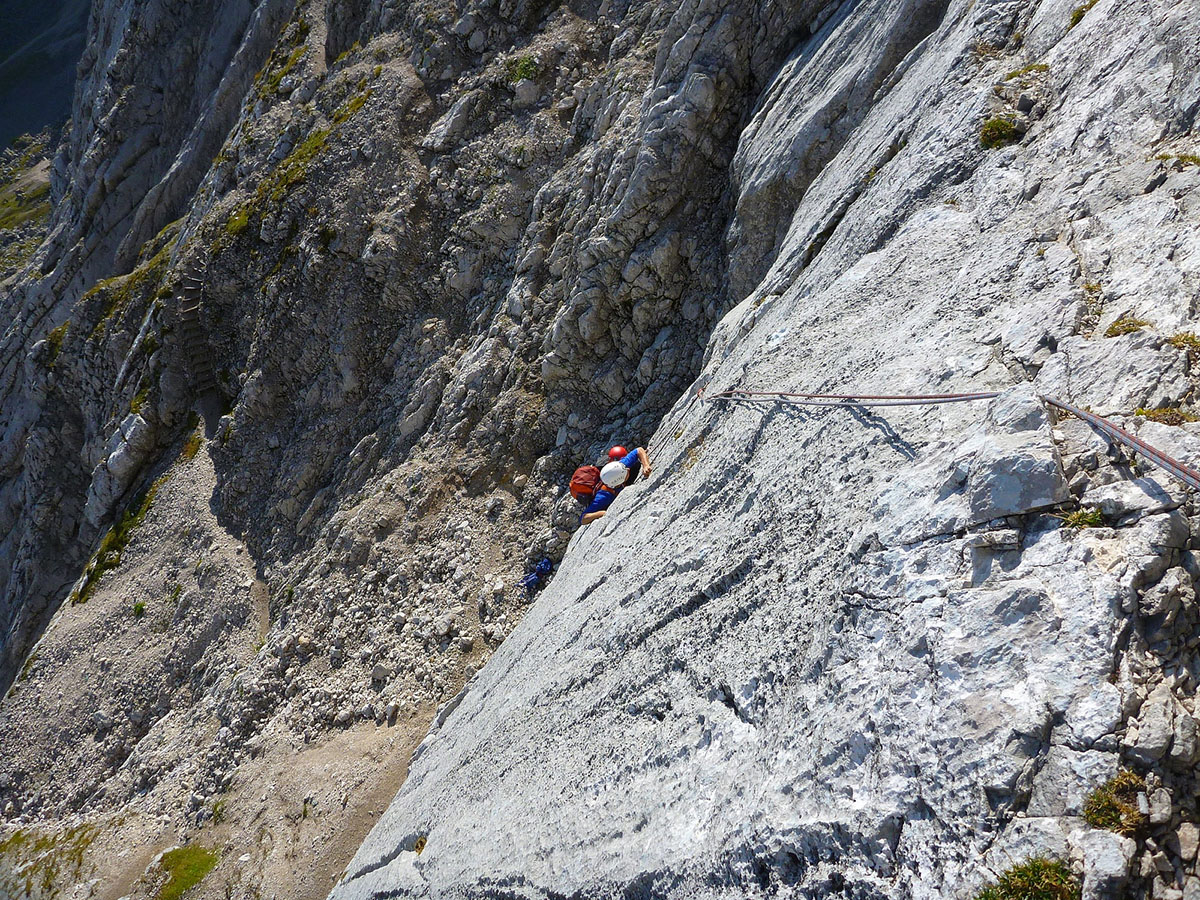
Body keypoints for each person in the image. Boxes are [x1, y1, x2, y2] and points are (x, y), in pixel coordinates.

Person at [580, 446, 651, 525]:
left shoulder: (621, 466)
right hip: (609, 496)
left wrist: (646, 465)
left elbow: (639, 450)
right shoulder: (603, 496)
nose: (628, 469)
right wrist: (601, 514)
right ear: (619, 482)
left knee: (635, 464)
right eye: (626, 471)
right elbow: (583, 519)